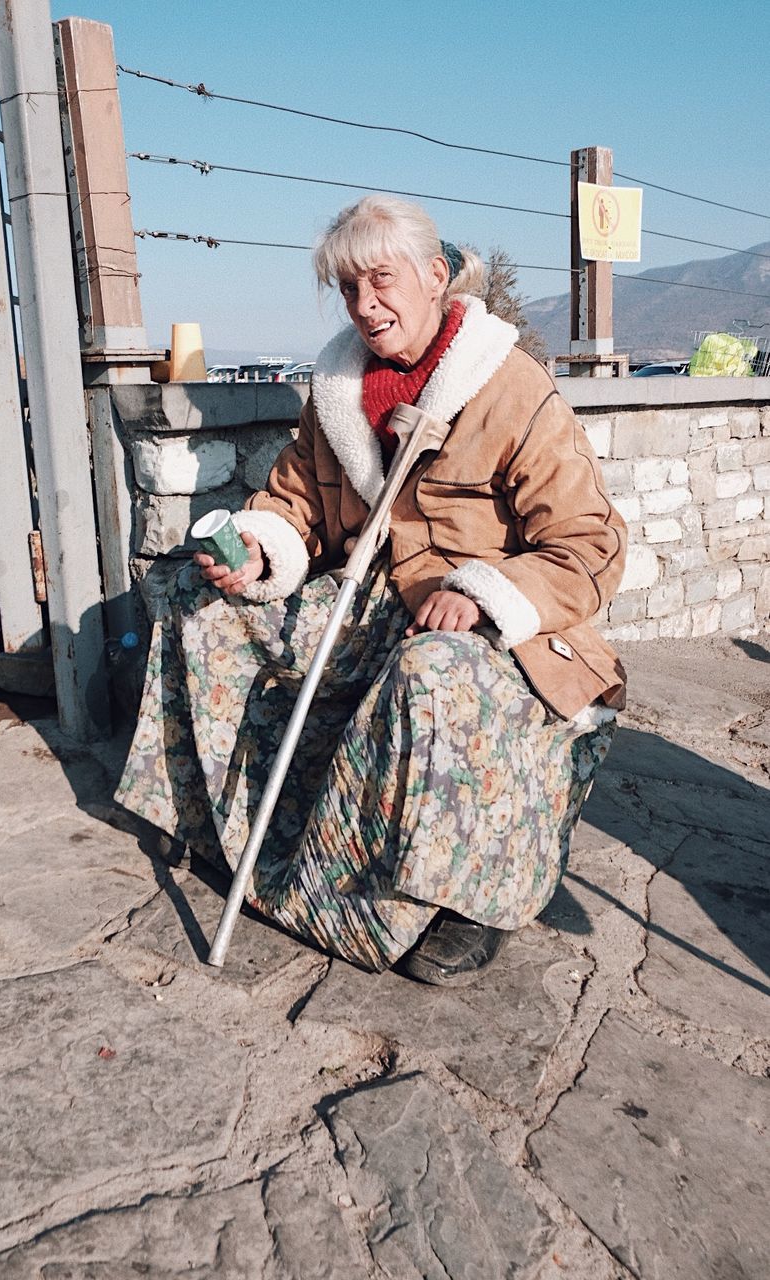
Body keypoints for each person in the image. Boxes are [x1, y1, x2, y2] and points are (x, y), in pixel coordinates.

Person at [116, 195, 627, 986]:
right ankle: (219, 819)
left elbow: (590, 545)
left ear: (432, 278)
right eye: (349, 288)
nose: (365, 305)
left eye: (380, 281)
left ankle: (464, 900)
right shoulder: (338, 390)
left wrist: (486, 591)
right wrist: (258, 550)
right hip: (370, 601)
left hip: (497, 625)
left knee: (436, 672)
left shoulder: (511, 388)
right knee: (197, 597)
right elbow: (297, 504)